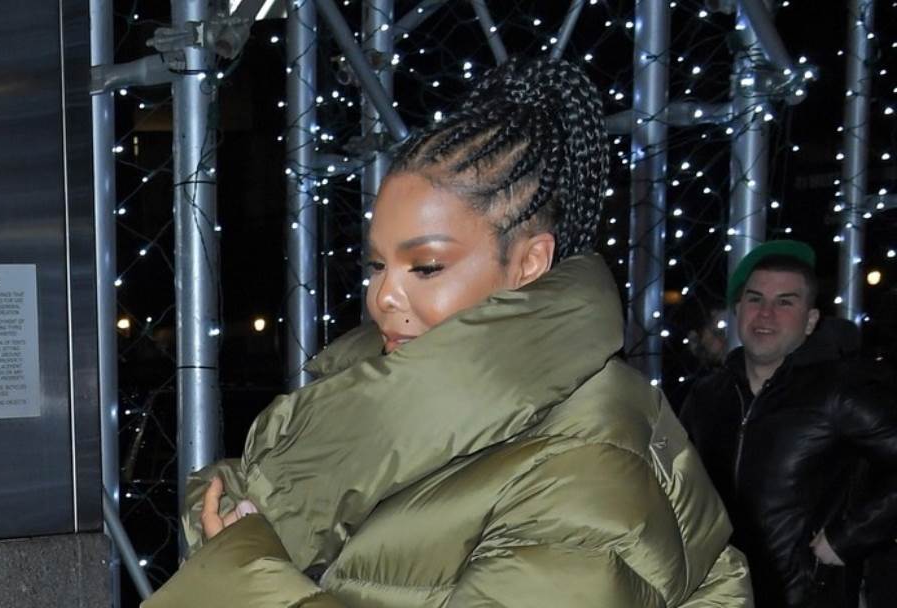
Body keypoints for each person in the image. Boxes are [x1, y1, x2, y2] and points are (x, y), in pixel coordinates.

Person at [143, 57, 751, 607]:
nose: (383, 296)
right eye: (377, 264)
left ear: (530, 263)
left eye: (427, 266)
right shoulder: (382, 395)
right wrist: (240, 541)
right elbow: (250, 502)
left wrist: (246, 578)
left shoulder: (586, 461)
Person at [679, 240, 897, 608]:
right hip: (715, 597)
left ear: (810, 320)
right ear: (738, 310)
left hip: (804, 598)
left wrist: (849, 536)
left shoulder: (837, 391)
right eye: (755, 299)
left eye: (785, 302)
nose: (766, 314)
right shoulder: (707, 396)